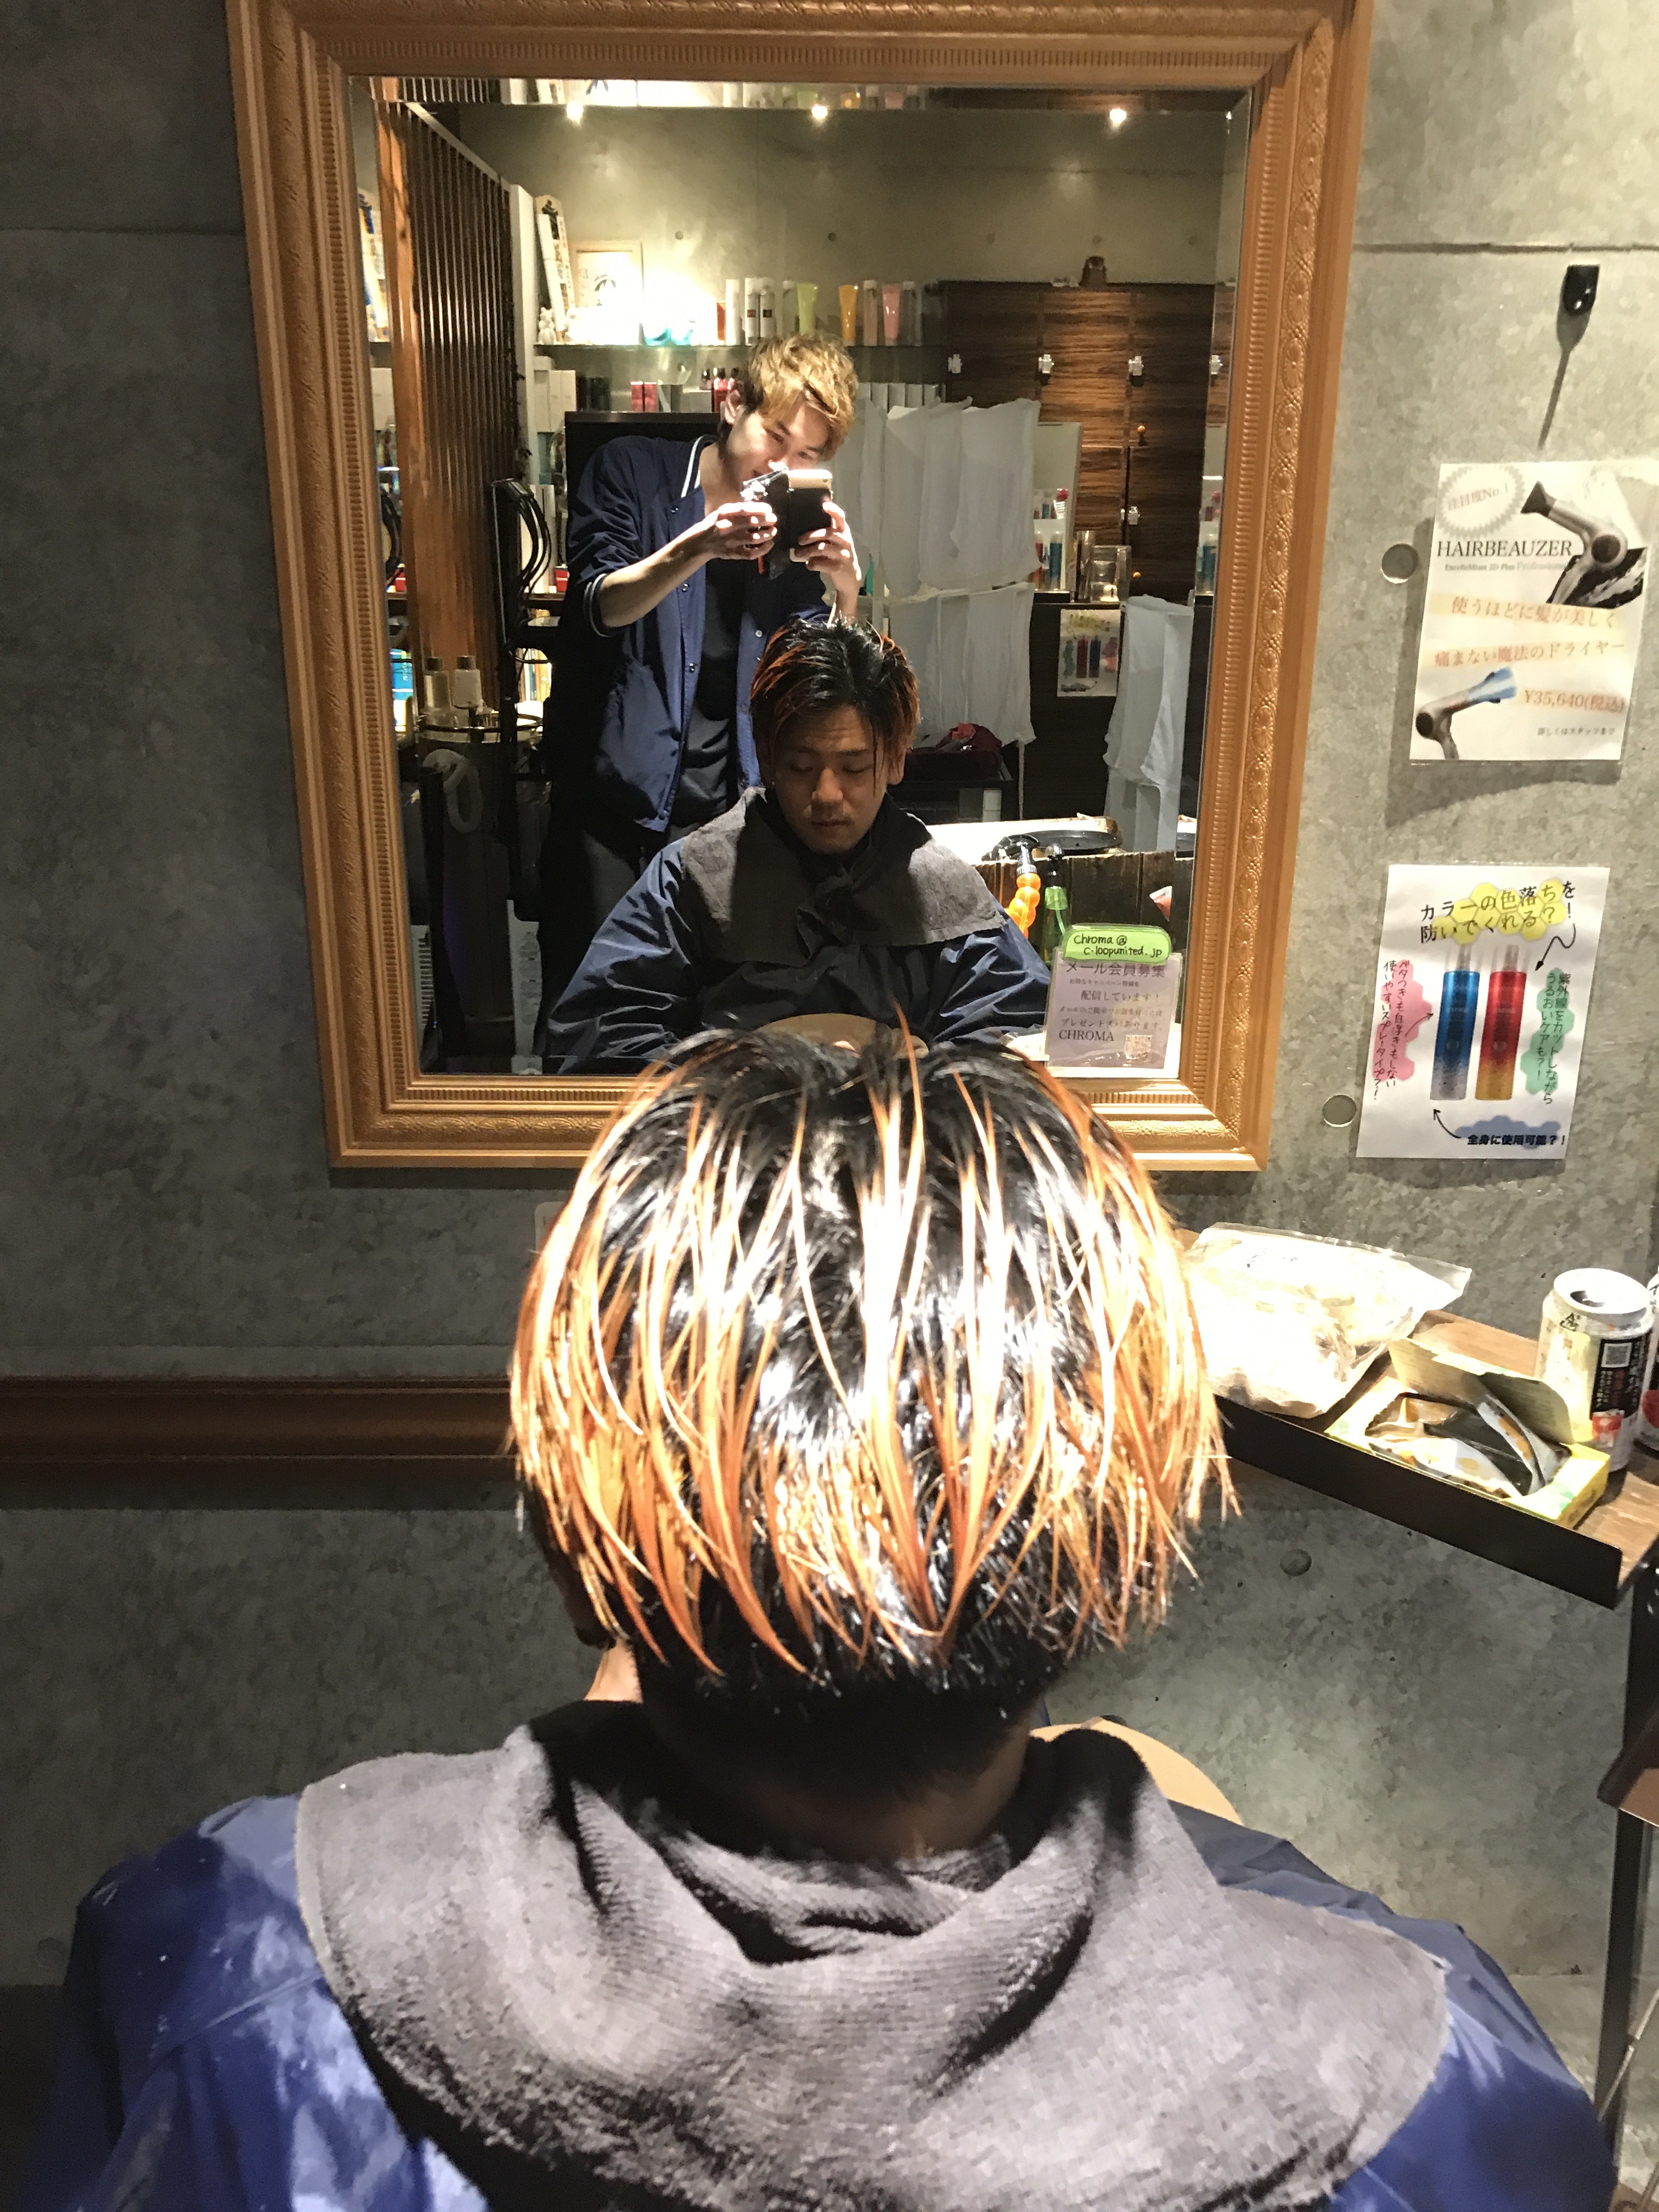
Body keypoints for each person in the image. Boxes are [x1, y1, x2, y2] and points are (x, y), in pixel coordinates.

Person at [21, 1034, 1612, 2211]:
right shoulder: (1429, 2093)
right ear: (1111, 1560)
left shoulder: (233, 1960)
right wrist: (1181, 1819)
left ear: (578, 1552)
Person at [541, 618, 1053, 1070]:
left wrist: (919, 1080)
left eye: (854, 768)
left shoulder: (943, 888)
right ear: (766, 758)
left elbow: (1021, 1035)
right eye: (802, 767)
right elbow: (598, 1037)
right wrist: (736, 1078)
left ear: (898, 758)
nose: (827, 794)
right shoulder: (692, 878)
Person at [535, 334, 862, 1031]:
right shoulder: (632, 471)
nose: (782, 466)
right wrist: (701, 544)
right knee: (595, 1024)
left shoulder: (789, 539)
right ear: (732, 404)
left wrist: (846, 591)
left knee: (715, 1029)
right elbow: (598, 603)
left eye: (807, 456)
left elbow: (815, 687)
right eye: (775, 437)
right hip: (612, 822)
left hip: (729, 830)